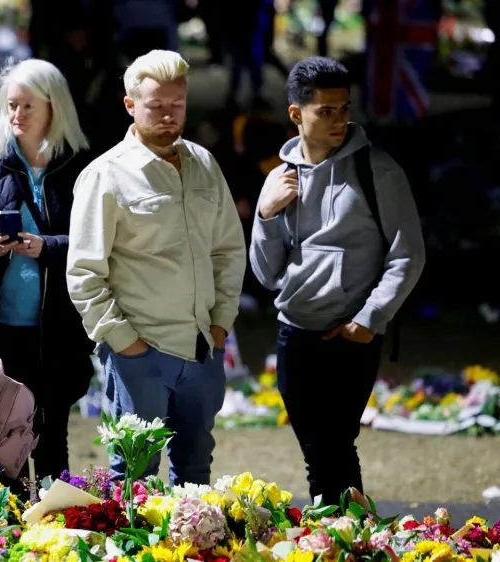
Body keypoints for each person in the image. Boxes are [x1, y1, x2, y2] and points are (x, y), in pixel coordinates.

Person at [249, 57, 425, 508]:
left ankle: (344, 538)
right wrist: (266, 213)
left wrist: (368, 320)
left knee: (335, 446)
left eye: (344, 108)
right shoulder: (279, 179)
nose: (339, 120)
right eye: (325, 111)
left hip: (351, 335)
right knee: (319, 453)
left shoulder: (378, 171)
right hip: (295, 332)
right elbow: (266, 274)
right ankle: (343, 538)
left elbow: (407, 254)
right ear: (296, 114)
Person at [66, 50, 246, 484]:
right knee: (134, 481)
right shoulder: (105, 175)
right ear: (130, 105)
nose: (169, 116)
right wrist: (126, 344)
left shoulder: (204, 164)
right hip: (139, 353)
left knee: (196, 475)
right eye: (156, 106)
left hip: (202, 350)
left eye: (177, 106)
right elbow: (84, 274)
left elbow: (228, 249)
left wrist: (221, 326)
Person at [0, 58, 93, 482]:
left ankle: (55, 528)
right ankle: (4, 532)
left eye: (28, 106)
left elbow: (99, 242)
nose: (17, 115)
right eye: (10, 106)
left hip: (57, 327)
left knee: (52, 432)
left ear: (53, 107)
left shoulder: (81, 166)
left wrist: (48, 247)